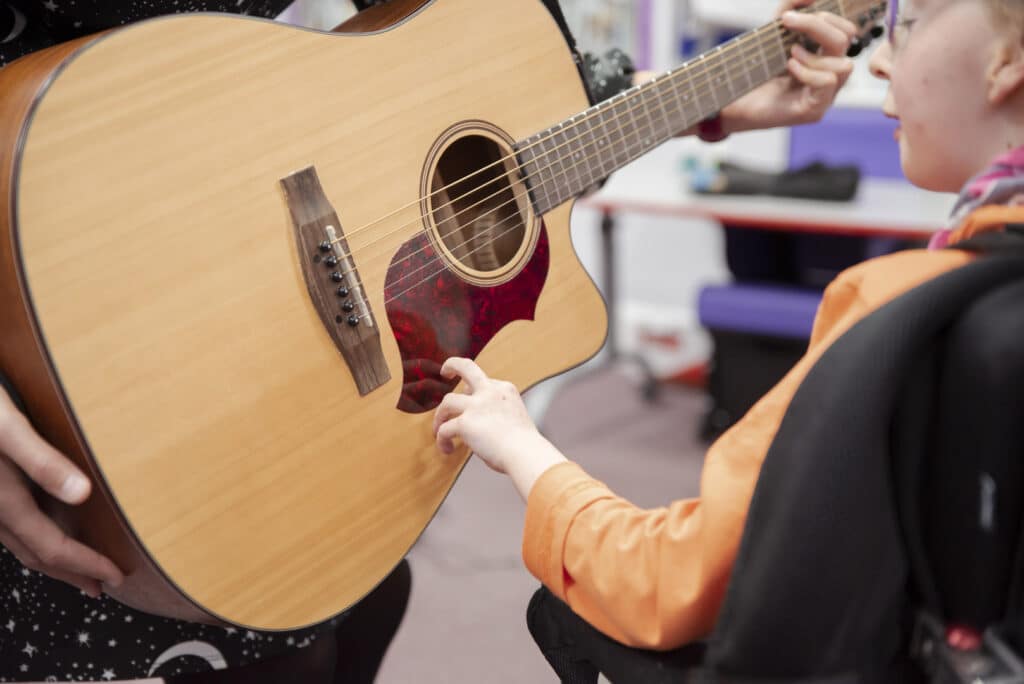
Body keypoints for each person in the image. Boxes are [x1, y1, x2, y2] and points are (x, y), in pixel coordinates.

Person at [0, 0, 860, 681]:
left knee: (338, 607)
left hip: (255, 313)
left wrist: (691, 100)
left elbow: (477, 83)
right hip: (68, 249)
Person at [432, 0, 1024, 679]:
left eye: (907, 25)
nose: (881, 59)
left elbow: (664, 581)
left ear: (1007, 63)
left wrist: (517, 442)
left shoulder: (899, 306)